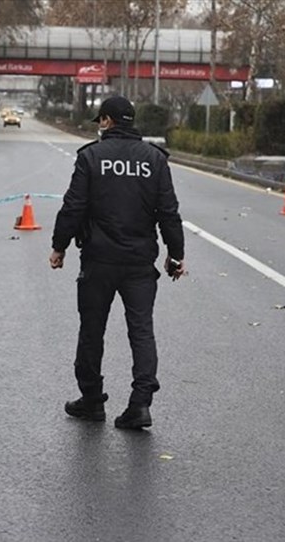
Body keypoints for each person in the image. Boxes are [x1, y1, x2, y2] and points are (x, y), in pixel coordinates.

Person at [49, 95, 185, 430]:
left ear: (107, 121)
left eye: (100, 121)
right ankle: (140, 404)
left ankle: (92, 400)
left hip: (99, 260)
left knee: (92, 329)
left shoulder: (91, 157)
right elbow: (168, 211)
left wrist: (59, 246)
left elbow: (73, 206)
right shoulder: (155, 159)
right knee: (141, 330)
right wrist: (176, 254)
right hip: (140, 262)